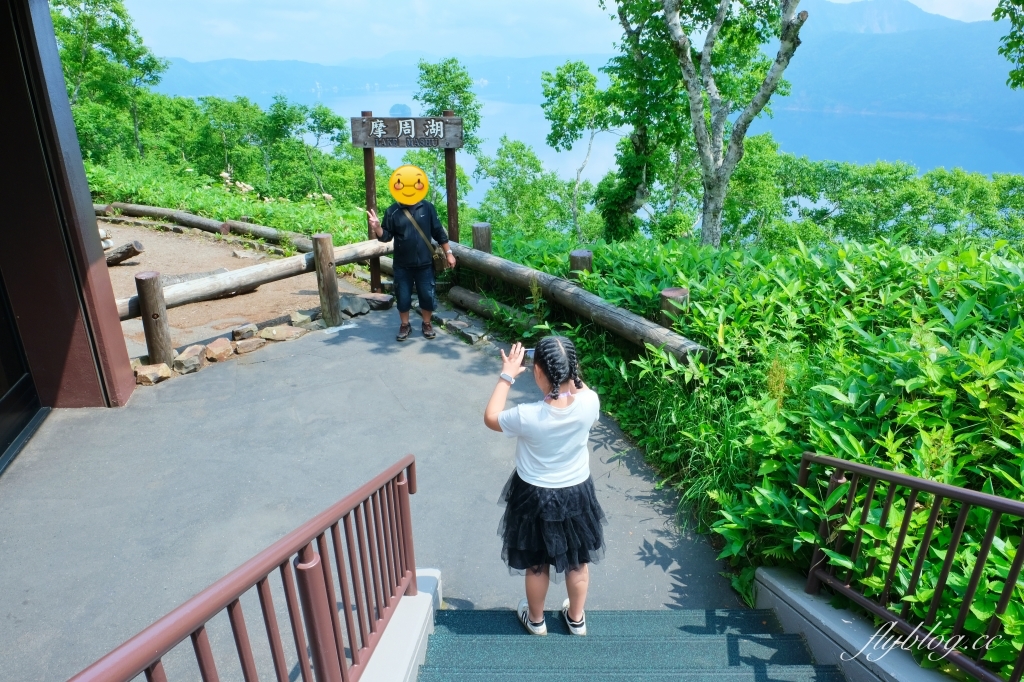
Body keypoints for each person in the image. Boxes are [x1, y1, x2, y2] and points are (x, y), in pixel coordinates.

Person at [483, 336, 606, 636]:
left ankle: (536, 621)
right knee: (577, 561)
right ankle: (576, 619)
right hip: (576, 492)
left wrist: (507, 375)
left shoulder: (528, 416)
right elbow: (580, 388)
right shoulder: (590, 403)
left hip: (534, 495)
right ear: (573, 369)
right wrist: (570, 371)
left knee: (536, 563)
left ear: (538, 372)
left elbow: (491, 417)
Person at [367, 164, 456, 341]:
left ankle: (427, 323)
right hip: (402, 265)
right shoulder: (392, 211)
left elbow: (438, 232)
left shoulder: (427, 207)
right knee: (403, 296)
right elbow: (386, 237)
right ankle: (405, 325)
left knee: (427, 295)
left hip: (425, 264)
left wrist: (449, 253)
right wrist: (377, 228)